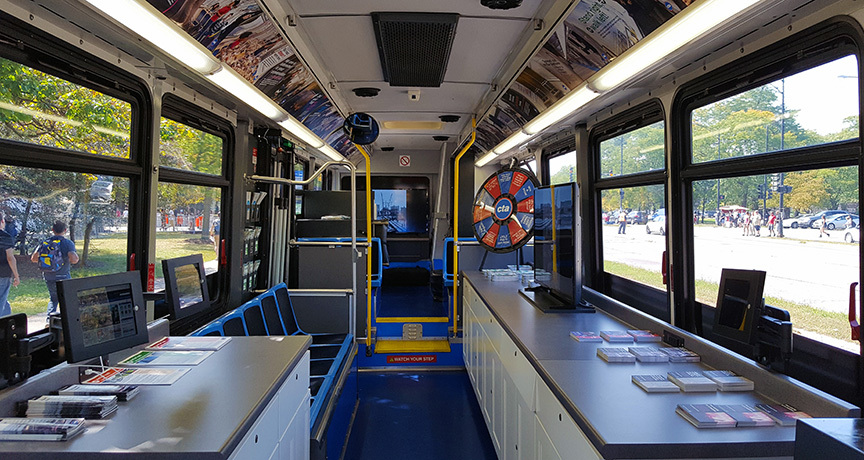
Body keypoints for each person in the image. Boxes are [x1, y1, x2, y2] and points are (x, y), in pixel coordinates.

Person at [30, 221, 78, 316]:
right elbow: (74, 259)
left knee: (53, 299)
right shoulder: (67, 243)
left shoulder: (45, 242)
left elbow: (34, 258)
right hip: (63, 275)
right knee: (66, 299)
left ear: (52, 230)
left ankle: (49, 320)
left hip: (49, 276)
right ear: (65, 230)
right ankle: (68, 319)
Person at [0, 211, 20, 317]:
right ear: (2, 222)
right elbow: (10, 258)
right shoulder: (5, 237)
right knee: (1, 299)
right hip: (3, 273)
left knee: (4, 300)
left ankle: (7, 319)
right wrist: (16, 275)